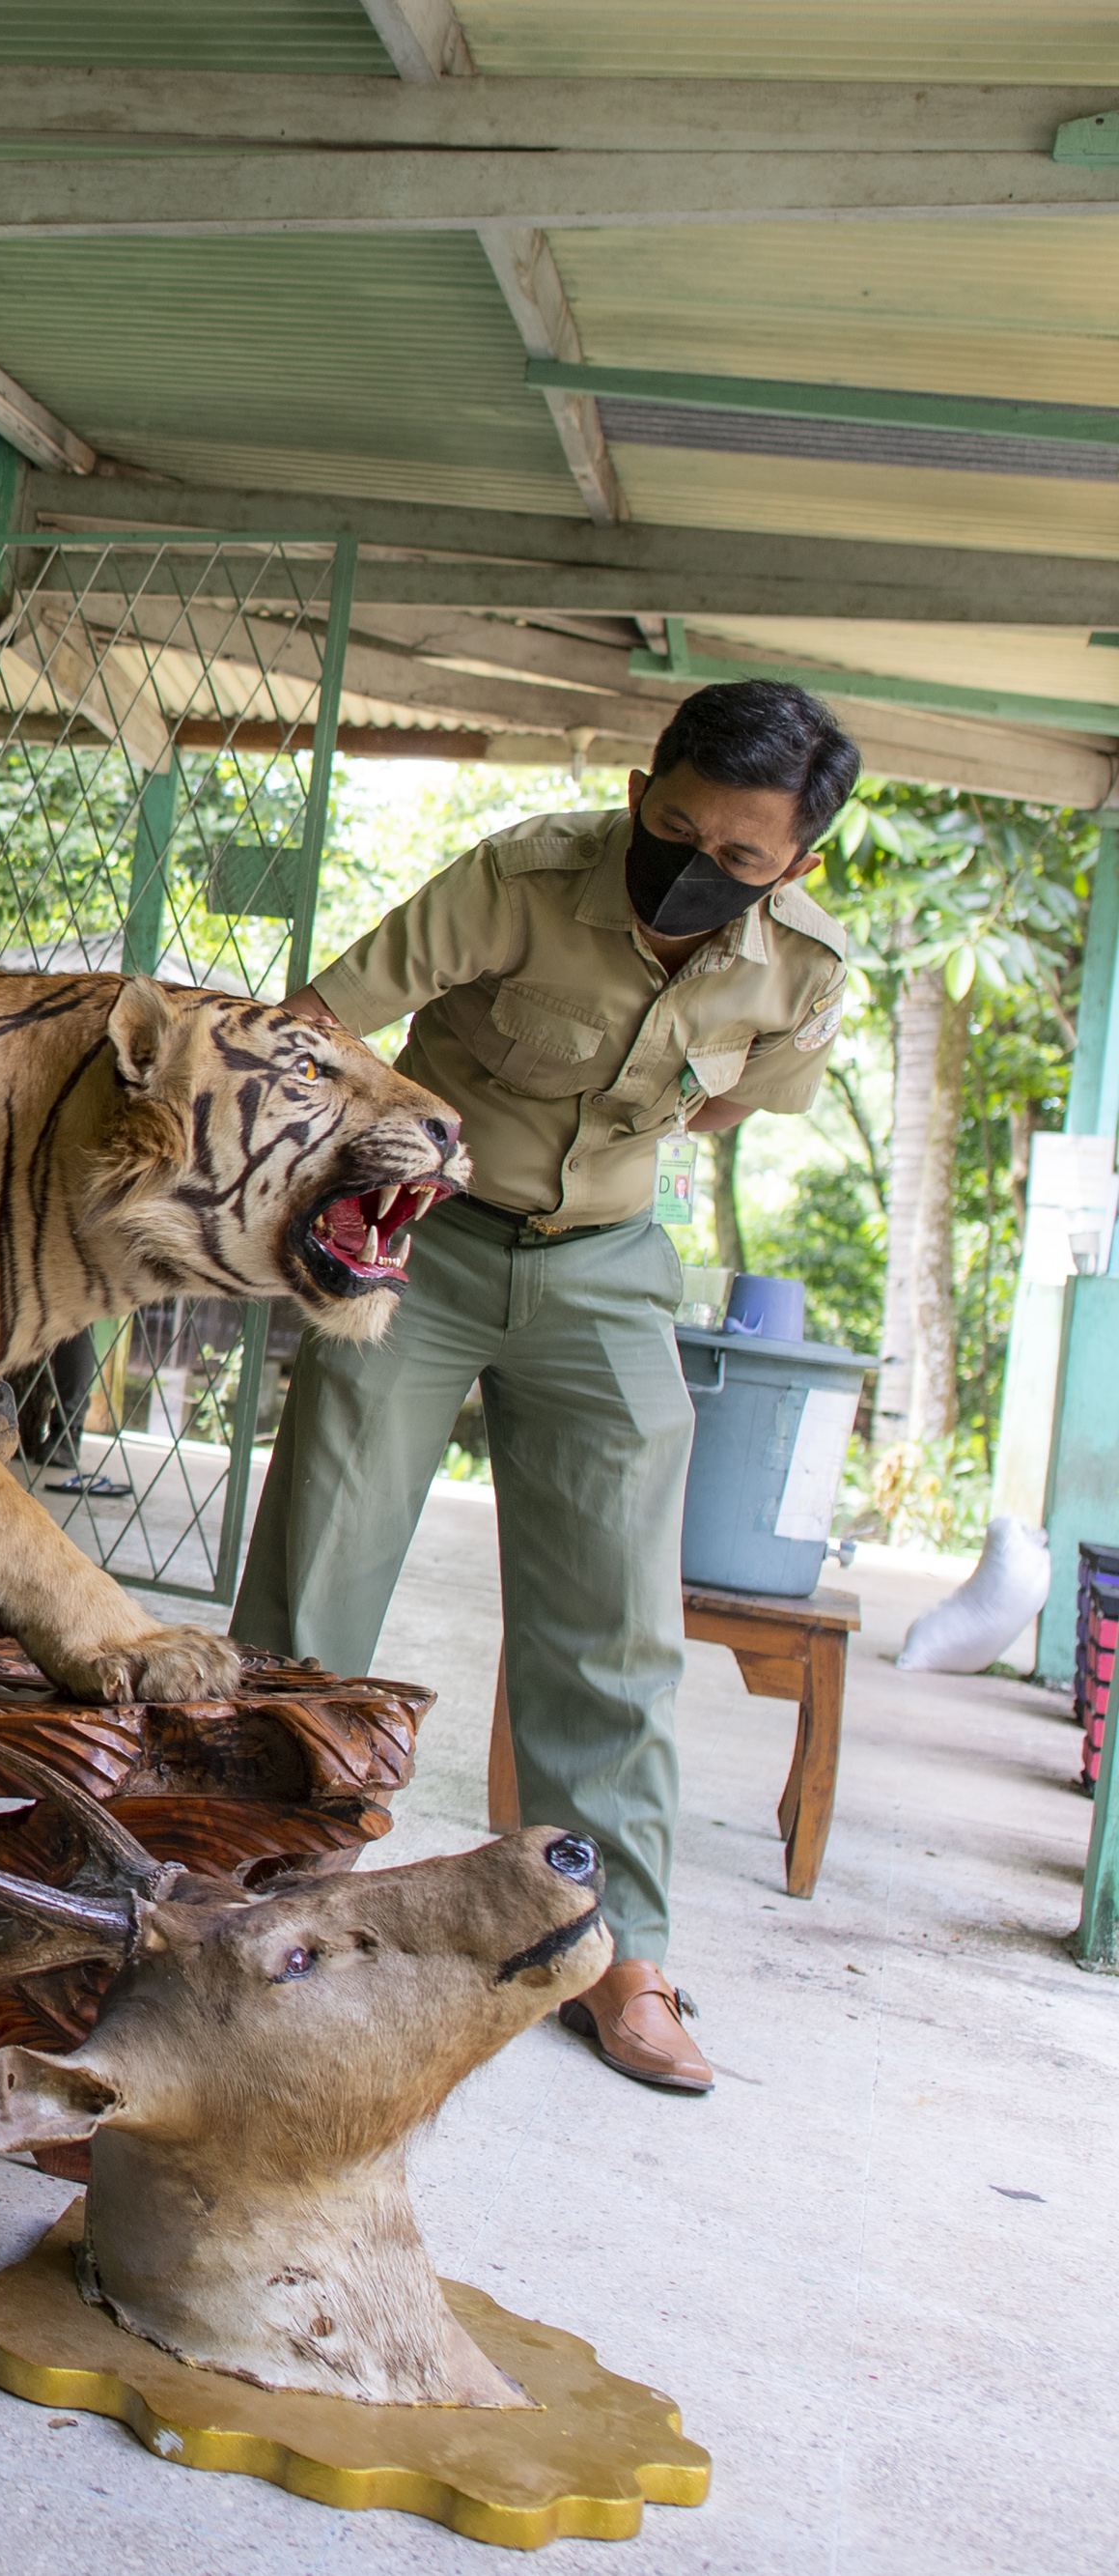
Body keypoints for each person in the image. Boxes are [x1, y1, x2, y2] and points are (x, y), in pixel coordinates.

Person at [233, 681, 860, 2096]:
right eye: (675, 822)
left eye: (741, 857)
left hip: (604, 1271)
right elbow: (320, 1020)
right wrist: (378, 1159)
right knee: (318, 1573)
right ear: (646, 784)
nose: (693, 863)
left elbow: (725, 1104)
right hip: (425, 1243)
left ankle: (617, 1955)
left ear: (796, 867)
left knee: (615, 1627)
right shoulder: (524, 874)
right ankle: (261, 1874)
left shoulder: (803, 967)